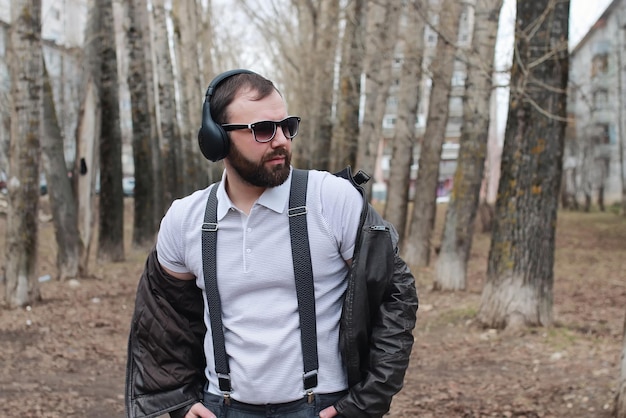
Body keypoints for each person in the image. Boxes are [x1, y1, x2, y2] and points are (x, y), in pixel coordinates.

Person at [126, 69, 418, 418]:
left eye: (287, 126)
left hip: (322, 406)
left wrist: (365, 403)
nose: (281, 140)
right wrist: (178, 403)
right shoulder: (185, 219)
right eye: (263, 130)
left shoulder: (332, 199)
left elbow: (395, 296)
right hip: (221, 407)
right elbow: (162, 324)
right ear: (217, 139)